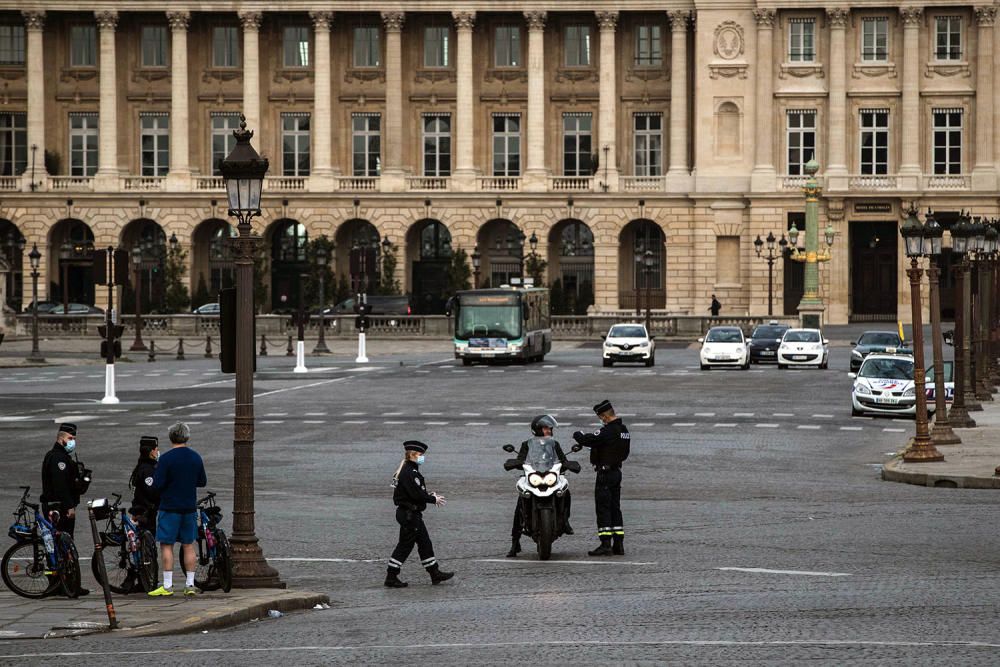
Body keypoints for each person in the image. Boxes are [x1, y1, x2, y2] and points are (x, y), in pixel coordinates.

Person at [385, 441, 454, 588]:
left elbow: (413, 492)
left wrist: (428, 495)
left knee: (425, 543)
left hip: (411, 513)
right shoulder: (409, 472)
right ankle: (391, 576)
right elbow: (416, 494)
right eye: (421, 455)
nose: (423, 458)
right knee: (405, 546)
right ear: (412, 455)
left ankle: (434, 573)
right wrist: (432, 498)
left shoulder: (408, 470)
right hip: (409, 514)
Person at [149, 423, 207, 597]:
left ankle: (167, 585)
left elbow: (158, 484)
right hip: (189, 507)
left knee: (167, 545)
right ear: (187, 437)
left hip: (169, 506)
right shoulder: (195, 457)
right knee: (189, 545)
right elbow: (202, 481)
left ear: (171, 437)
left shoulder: (166, 459)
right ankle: (190, 584)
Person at [507, 415, 573, 559]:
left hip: (550, 476)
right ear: (537, 429)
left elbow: (562, 459)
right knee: (520, 503)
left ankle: (565, 521)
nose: (549, 430)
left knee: (566, 492)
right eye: (546, 428)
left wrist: (568, 464)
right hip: (534, 477)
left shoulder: (555, 444)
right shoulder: (527, 444)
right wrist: (516, 463)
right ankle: (515, 541)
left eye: (550, 428)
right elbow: (521, 459)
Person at [572, 400, 630, 557]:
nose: (601, 420)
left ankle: (605, 544)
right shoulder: (624, 431)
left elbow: (588, 440)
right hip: (617, 472)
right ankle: (619, 544)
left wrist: (578, 435)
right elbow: (619, 451)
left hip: (605, 474)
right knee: (615, 508)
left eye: (600, 417)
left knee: (603, 509)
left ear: (604, 415)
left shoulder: (608, 431)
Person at [40, 422, 89, 596]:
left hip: (56, 507)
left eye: (74, 438)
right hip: (58, 508)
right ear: (61, 439)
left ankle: (66, 583)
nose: (73, 442)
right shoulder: (58, 459)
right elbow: (61, 486)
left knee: (59, 546)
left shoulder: (60, 457)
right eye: (70, 438)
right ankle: (62, 584)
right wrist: (69, 506)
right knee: (61, 546)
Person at [129, 435, 160, 535]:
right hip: (146, 512)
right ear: (151, 451)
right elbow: (152, 491)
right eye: (156, 449)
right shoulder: (148, 469)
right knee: (148, 541)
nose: (157, 451)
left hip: (139, 510)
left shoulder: (141, 466)